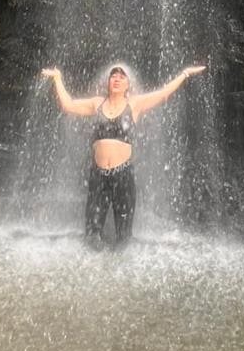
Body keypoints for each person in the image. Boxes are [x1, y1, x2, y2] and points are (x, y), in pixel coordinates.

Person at [41, 62, 206, 247]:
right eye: (113, 76)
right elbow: (68, 105)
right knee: (91, 236)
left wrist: (185, 74)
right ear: (108, 82)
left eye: (122, 76)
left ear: (128, 84)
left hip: (123, 176)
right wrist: (57, 78)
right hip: (98, 177)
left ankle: (121, 269)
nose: (117, 79)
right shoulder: (96, 103)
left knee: (124, 238)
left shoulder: (134, 104)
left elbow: (163, 93)